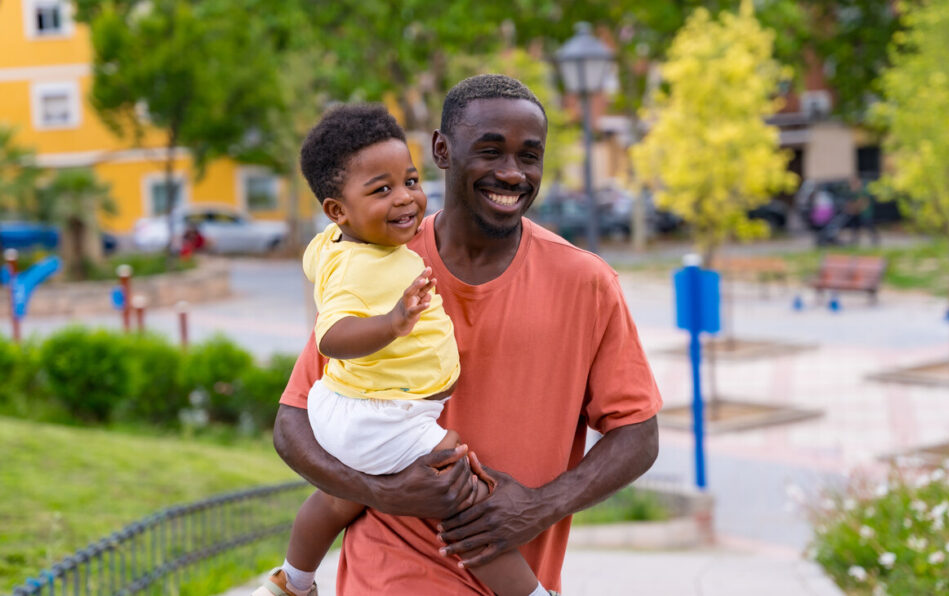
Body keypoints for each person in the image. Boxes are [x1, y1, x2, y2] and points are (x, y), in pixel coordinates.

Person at [274, 74, 662, 594]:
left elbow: (638, 434)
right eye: (490, 151)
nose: (512, 173)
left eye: (530, 156)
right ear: (442, 150)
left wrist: (539, 507)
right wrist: (382, 492)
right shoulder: (379, 265)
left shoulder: (586, 282)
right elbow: (292, 425)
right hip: (385, 577)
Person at [255, 104, 544, 596]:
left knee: (334, 500)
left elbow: (323, 255)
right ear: (337, 210)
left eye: (410, 180)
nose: (406, 199)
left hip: (350, 405)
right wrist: (392, 323)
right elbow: (331, 335)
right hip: (380, 414)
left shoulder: (337, 244)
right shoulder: (361, 269)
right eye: (381, 190)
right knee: (463, 489)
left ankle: (292, 581)